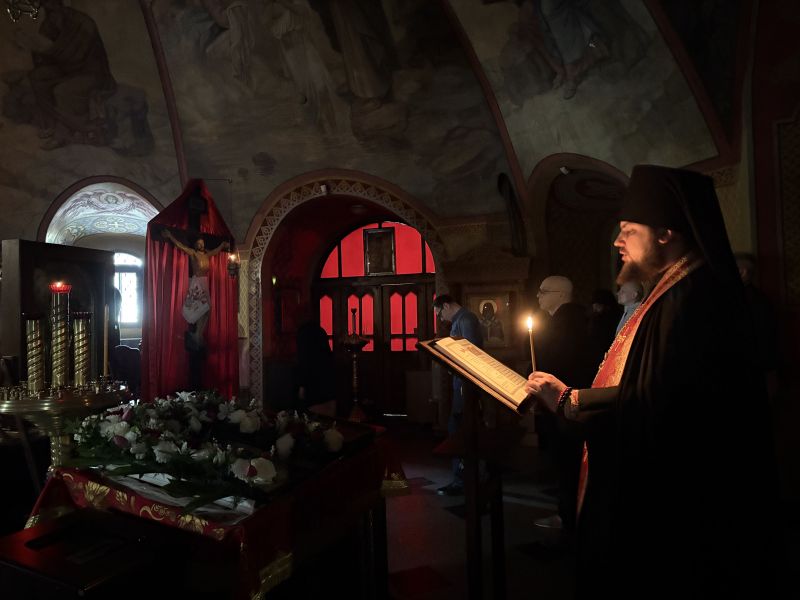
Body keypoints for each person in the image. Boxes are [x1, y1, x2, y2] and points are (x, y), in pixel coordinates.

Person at [525, 165, 779, 598]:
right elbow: (648, 387)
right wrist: (569, 397)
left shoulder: (692, 299)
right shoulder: (674, 291)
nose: (617, 241)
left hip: (683, 509)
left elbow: (660, 406)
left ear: (665, 234)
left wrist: (569, 401)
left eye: (628, 231)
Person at [531, 276, 594, 537]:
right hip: (576, 402)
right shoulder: (581, 319)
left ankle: (568, 518)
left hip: (563, 405)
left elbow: (554, 364)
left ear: (559, 295)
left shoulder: (562, 325)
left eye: (543, 291)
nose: (538, 296)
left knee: (566, 463)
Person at [432, 294, 483, 496]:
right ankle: (466, 479)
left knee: (459, 430)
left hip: (465, 385)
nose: (441, 319)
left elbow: (470, 354)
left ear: (446, 306)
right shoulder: (462, 320)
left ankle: (463, 481)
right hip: (461, 384)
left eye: (440, 314)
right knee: (459, 428)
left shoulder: (466, 319)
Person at [161, 229, 229, 348]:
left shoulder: (207, 255)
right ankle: (197, 335)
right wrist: (170, 236)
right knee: (201, 308)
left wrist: (222, 245)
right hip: (197, 282)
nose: (201, 245)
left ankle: (198, 334)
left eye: (202, 243)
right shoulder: (193, 253)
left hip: (204, 282)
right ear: (195, 245)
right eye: (199, 243)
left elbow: (216, 251)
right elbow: (180, 246)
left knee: (207, 310)